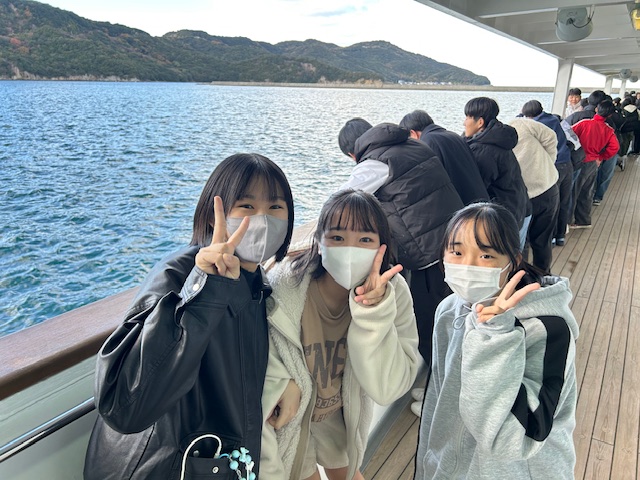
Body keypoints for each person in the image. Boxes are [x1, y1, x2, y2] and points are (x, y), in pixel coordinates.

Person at [84, 153, 295, 480]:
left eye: (275, 207)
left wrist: (289, 383)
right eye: (247, 205)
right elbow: (123, 406)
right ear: (214, 216)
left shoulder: (257, 284)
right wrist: (206, 289)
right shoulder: (181, 275)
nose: (262, 219)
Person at [260, 189, 420, 480]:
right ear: (319, 242)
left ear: (382, 247)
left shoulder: (394, 294)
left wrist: (374, 312)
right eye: (336, 237)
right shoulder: (282, 288)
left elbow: (388, 389)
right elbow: (261, 355)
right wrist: (284, 382)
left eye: (365, 240)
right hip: (292, 417)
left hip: (340, 413)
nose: (350, 250)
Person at [414, 202, 579, 480]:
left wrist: (494, 336)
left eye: (486, 255)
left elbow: (514, 440)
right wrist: (429, 463)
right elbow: (439, 399)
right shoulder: (450, 309)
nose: (468, 265)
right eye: (457, 252)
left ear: (513, 261)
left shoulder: (547, 328)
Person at [337, 119, 462, 386]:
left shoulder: (374, 163)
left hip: (428, 254)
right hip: (455, 243)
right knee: (454, 314)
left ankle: (440, 388)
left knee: (430, 324)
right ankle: (448, 379)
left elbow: (342, 204)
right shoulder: (415, 145)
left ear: (352, 153)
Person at [462, 97, 530, 248]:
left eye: (467, 118)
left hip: (507, 216)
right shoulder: (497, 138)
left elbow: (477, 189)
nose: (464, 123)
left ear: (480, 122)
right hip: (520, 206)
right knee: (516, 254)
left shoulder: (484, 151)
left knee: (505, 257)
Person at [399, 109, 489, 205]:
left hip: (463, 205)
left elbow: (431, 182)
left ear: (413, 133)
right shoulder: (454, 136)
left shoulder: (427, 142)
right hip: (480, 200)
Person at [509, 114, 559, 273]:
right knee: (542, 240)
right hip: (547, 188)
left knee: (521, 243)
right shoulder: (521, 124)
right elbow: (551, 137)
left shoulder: (486, 143)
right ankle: (543, 276)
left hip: (524, 198)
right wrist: (548, 163)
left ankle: (523, 280)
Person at [521, 100, 573, 247]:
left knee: (552, 205)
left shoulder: (536, 126)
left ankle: (550, 238)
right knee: (564, 202)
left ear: (529, 116)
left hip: (554, 166)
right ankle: (560, 236)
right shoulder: (554, 119)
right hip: (567, 164)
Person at [571, 100, 619, 228]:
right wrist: (601, 157)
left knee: (572, 191)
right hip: (593, 162)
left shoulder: (584, 123)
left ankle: (566, 221)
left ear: (596, 109)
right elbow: (615, 147)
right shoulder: (608, 130)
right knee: (587, 191)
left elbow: (568, 135)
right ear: (610, 115)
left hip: (578, 161)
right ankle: (583, 220)